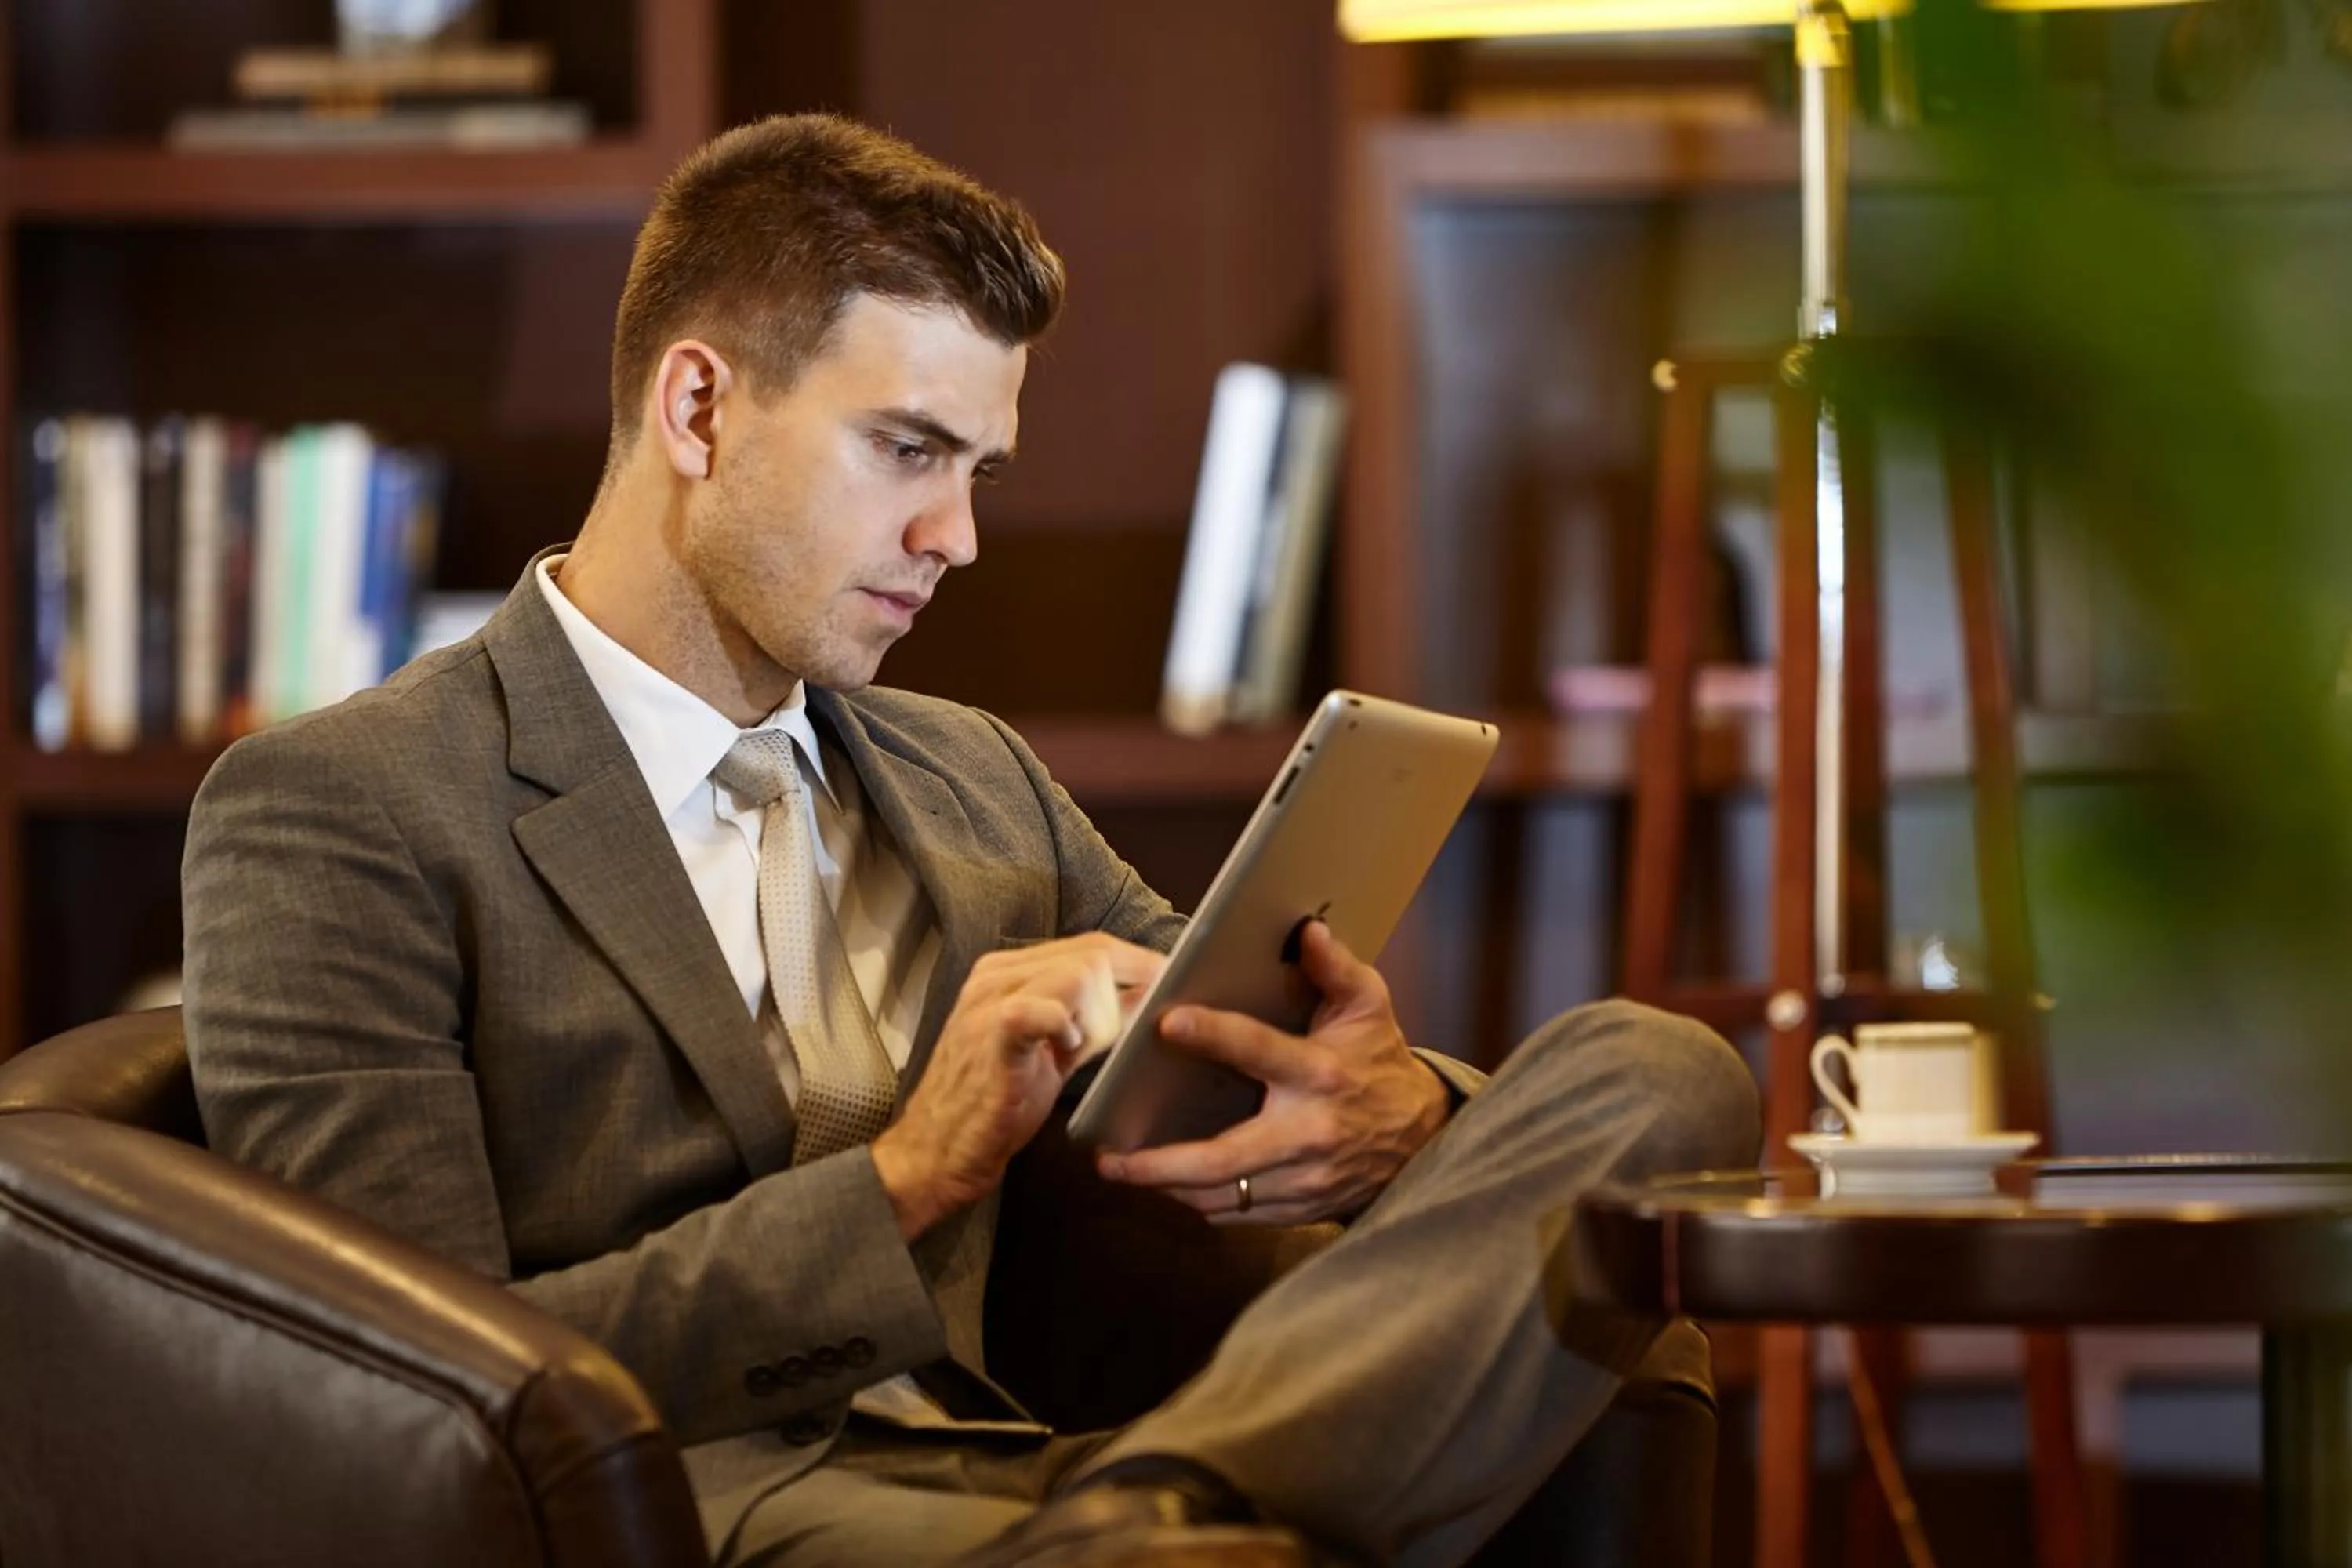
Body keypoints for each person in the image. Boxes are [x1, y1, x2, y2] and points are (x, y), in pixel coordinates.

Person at [181, 113, 1759, 1568]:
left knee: (1660, 1073)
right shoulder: (343, 807)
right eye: (910, 451)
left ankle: (1187, 1500)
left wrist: (1393, 1111)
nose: (960, 537)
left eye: (979, 470)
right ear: (699, 405)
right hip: (710, 1499)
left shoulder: (971, 776)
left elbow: (1220, 1063)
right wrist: (909, 1177)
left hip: (1058, 1476)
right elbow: (410, 1394)